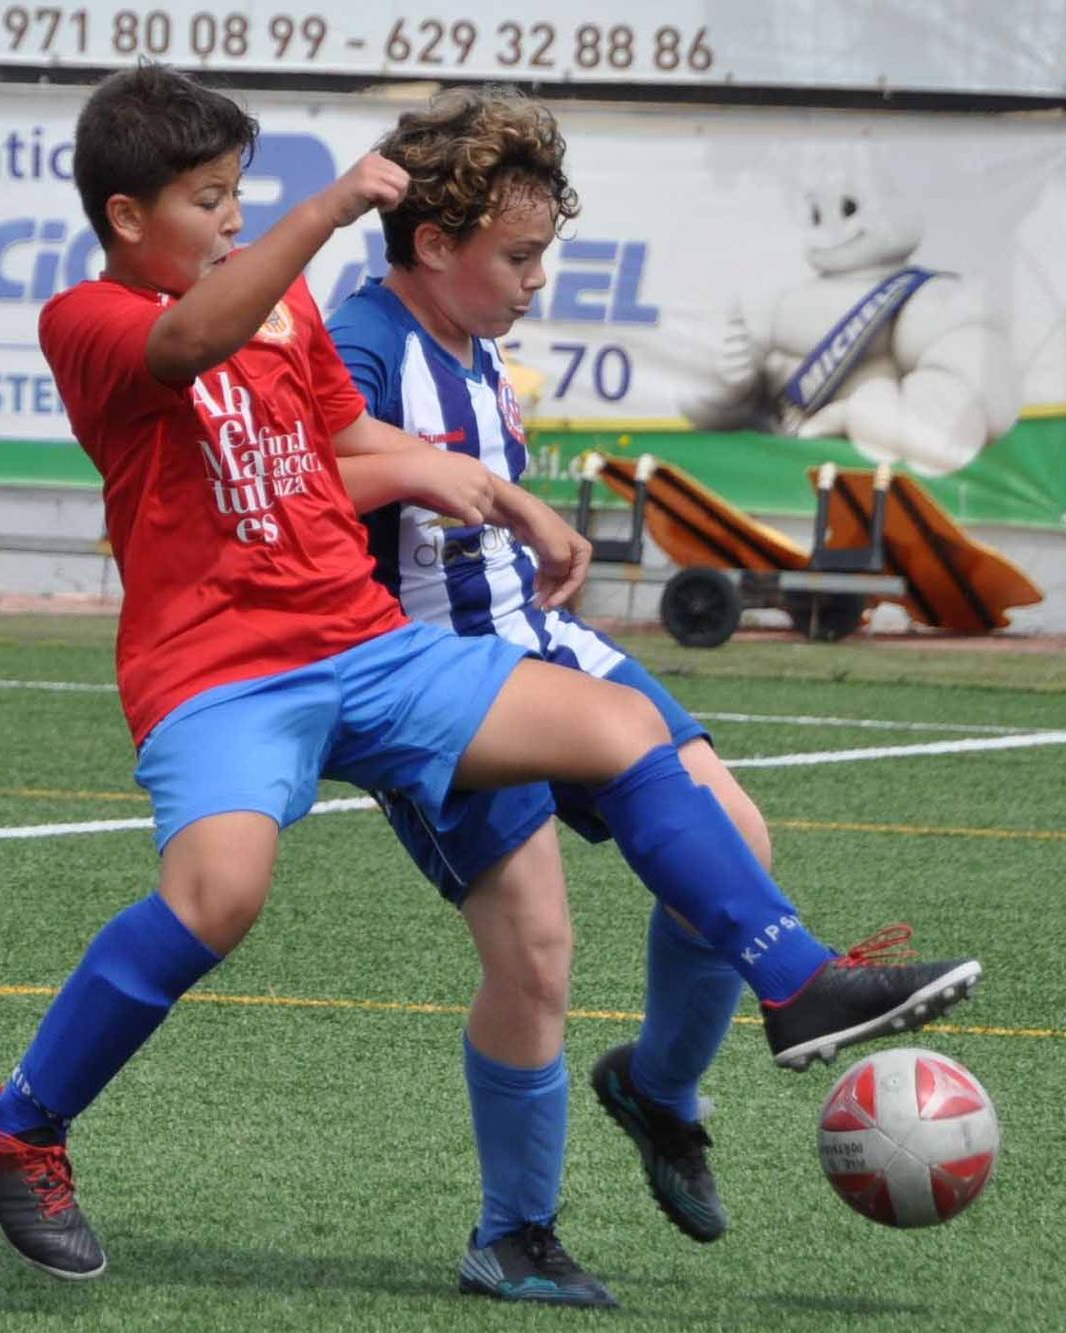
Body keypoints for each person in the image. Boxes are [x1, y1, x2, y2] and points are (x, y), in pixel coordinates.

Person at [0, 64, 981, 1308]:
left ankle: (789, 978)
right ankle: (19, 1125)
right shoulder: (96, 319)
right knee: (217, 896)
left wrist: (494, 492)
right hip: (221, 673)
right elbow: (189, 340)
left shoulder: (283, 323)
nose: (233, 218)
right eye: (208, 200)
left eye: (241, 197)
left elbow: (345, 442)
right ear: (127, 218)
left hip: (366, 648)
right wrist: (324, 213)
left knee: (612, 726)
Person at [325, 83, 818, 1264]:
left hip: (537, 641)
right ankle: (514, 1234)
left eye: (544, 252)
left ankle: (657, 1089)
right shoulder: (359, 346)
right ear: (433, 246)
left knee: (733, 836)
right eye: (519, 256)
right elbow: (314, 490)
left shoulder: (474, 338)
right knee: (536, 947)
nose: (535, 279)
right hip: (437, 677)